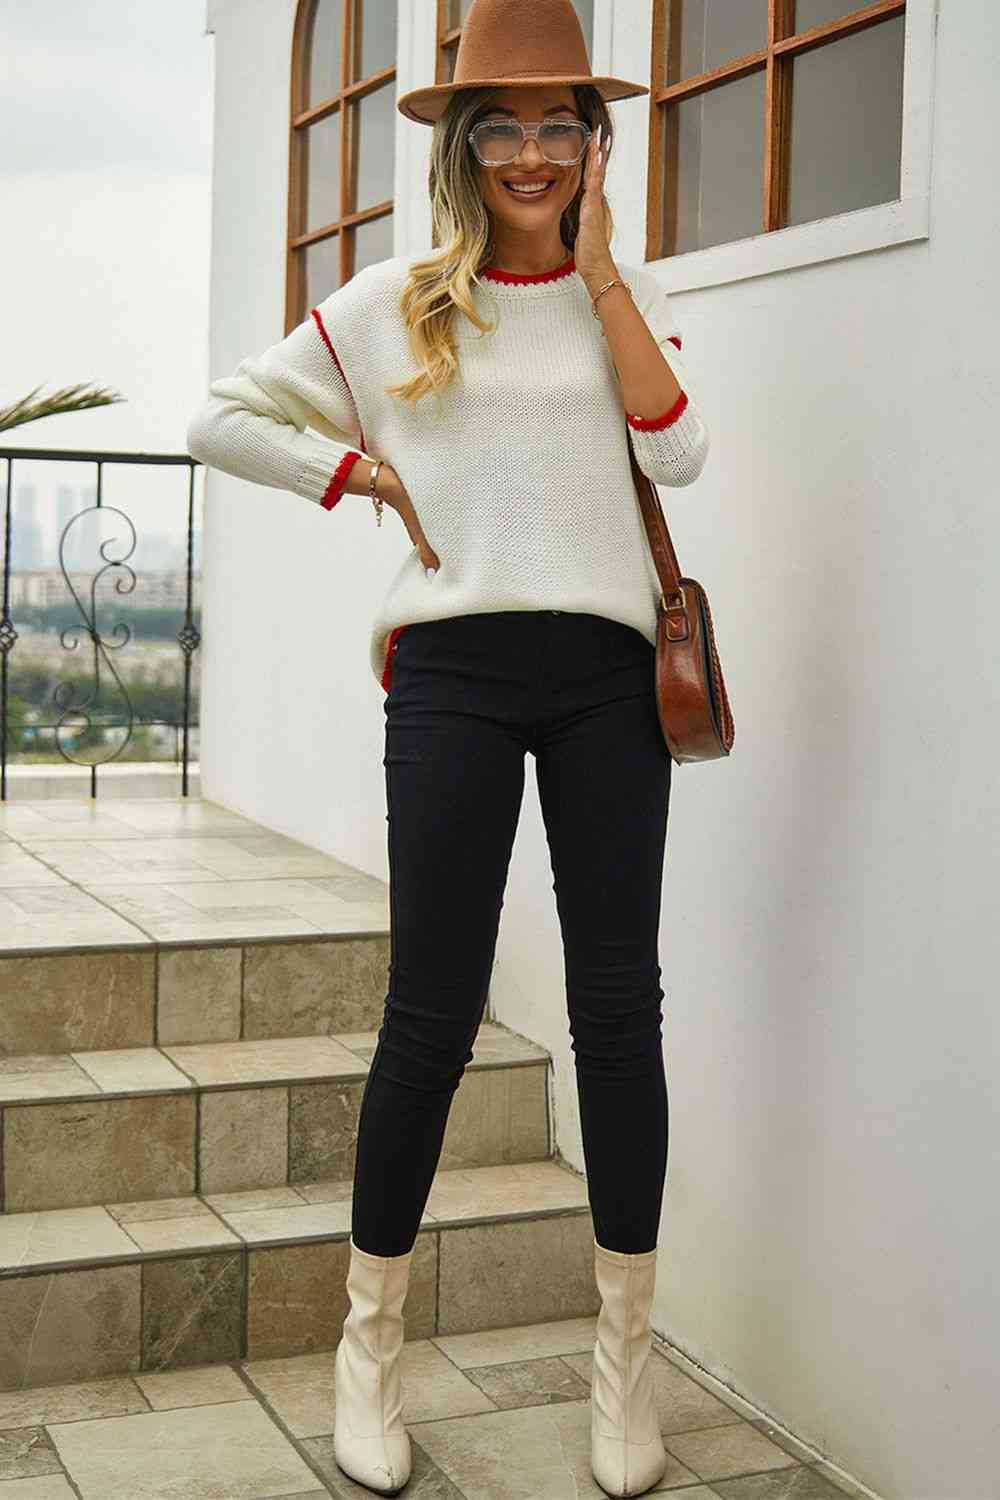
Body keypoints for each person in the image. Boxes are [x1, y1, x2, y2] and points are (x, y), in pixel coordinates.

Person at [186, 2, 710, 1493]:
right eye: (502, 128)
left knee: (618, 1011)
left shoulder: (624, 293)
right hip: (452, 675)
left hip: (608, 680)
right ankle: (370, 1351)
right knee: (429, 1009)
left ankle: (624, 1366)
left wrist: (601, 276)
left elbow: (677, 452)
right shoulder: (395, 301)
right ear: (464, 149)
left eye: (559, 126)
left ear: (593, 145)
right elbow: (219, 420)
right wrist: (356, 471)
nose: (531, 154)